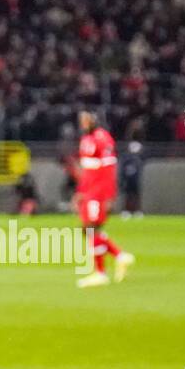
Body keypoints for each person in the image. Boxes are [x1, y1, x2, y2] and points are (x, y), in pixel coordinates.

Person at [74, 111, 134, 288]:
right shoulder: (86, 140)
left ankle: (101, 273)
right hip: (89, 190)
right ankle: (120, 256)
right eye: (82, 121)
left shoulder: (103, 139)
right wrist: (81, 191)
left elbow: (109, 169)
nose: (83, 124)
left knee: (92, 229)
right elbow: (87, 169)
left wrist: (109, 196)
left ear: (94, 120)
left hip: (98, 192)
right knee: (88, 230)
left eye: (86, 121)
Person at [119, 141, 144, 218]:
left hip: (135, 179)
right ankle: (126, 211)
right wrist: (123, 179)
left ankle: (137, 211)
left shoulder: (138, 160)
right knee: (128, 196)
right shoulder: (127, 159)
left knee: (136, 196)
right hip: (128, 179)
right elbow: (123, 170)